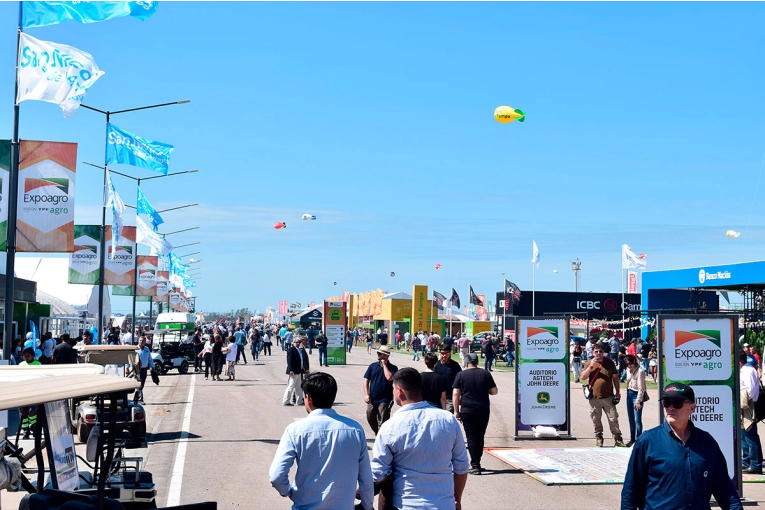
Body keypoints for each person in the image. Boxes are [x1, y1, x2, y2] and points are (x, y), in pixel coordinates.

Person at [621, 383, 743, 510]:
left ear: (692, 408)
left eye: (677, 403)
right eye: (666, 403)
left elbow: (725, 491)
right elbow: (630, 490)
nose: (671, 408)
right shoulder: (647, 441)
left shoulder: (707, 442)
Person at [270, 372, 374, 510]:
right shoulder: (355, 429)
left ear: (308, 398)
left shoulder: (295, 431)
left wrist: (290, 493)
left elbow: (276, 476)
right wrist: (367, 505)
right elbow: (366, 477)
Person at [370, 368, 469, 510]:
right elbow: (462, 466)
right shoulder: (448, 420)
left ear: (399, 391)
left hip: (406, 504)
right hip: (444, 504)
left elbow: (379, 472)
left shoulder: (390, 427)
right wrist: (456, 499)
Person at [453, 352, 498, 475]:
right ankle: (477, 461)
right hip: (483, 410)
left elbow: (456, 394)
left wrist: (456, 411)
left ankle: (475, 465)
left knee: (471, 437)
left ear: (466, 363)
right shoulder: (485, 374)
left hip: (467, 410)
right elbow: (494, 392)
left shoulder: (461, 375)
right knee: (480, 436)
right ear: (477, 362)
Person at [580, 344, 626, 447]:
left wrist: (617, 393)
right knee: (596, 419)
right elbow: (583, 377)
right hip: (594, 398)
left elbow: (615, 378)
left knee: (613, 418)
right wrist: (591, 366)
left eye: (600, 351)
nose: (599, 354)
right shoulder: (589, 363)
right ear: (593, 353)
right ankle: (599, 437)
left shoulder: (609, 363)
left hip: (608, 397)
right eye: (596, 351)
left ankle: (618, 439)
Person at [363, 345, 398, 434]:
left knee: (383, 420)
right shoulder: (372, 366)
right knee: (370, 416)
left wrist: (385, 366)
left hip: (385, 399)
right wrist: (366, 394)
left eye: (380, 353)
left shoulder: (393, 368)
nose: (377, 354)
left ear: (386, 355)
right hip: (372, 398)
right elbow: (366, 380)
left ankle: (381, 436)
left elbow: (389, 377)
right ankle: (378, 433)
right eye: (378, 353)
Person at [740, 352, 763, 474]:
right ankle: (746, 461)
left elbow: (750, 391)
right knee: (744, 435)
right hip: (743, 405)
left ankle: (755, 464)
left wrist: (742, 401)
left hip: (747, 405)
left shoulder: (748, 371)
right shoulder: (744, 370)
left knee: (750, 435)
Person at [624, 354, 646, 447]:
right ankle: (632, 439)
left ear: (634, 362)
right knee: (631, 419)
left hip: (636, 395)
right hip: (629, 394)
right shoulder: (628, 370)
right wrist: (629, 371)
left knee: (637, 419)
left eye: (630, 363)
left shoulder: (640, 371)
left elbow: (641, 388)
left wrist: (638, 401)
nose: (629, 366)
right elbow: (627, 380)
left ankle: (639, 440)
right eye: (627, 364)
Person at [434, 345, 462, 413]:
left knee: (447, 416)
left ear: (449, 353)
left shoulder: (455, 365)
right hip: (437, 397)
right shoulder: (435, 364)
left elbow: (460, 381)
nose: (444, 355)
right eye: (442, 353)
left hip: (449, 397)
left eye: (446, 353)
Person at [283, 337, 305, 406]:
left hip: (299, 371)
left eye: (299, 342)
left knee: (299, 387)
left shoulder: (299, 350)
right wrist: (291, 370)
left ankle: (299, 401)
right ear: (293, 343)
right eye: (296, 342)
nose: (298, 343)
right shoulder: (291, 349)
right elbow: (289, 361)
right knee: (291, 386)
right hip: (293, 371)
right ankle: (286, 401)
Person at [134, 336, 154, 404]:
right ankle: (140, 399)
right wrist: (127, 367)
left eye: (143, 341)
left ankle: (135, 398)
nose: (141, 342)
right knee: (139, 384)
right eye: (140, 340)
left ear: (145, 342)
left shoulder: (147, 349)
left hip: (144, 369)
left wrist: (152, 366)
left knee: (142, 384)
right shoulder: (135, 349)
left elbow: (150, 359)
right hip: (137, 369)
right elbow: (130, 358)